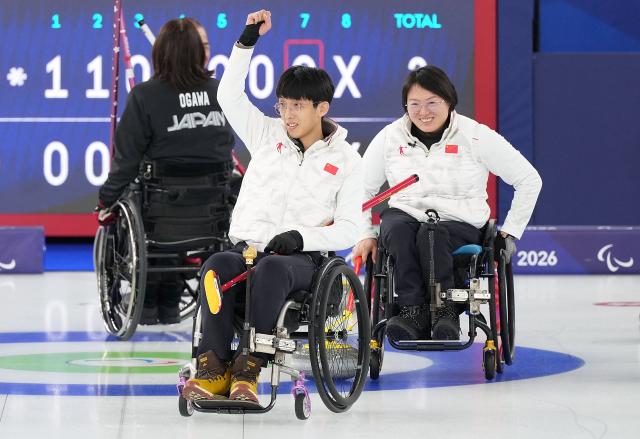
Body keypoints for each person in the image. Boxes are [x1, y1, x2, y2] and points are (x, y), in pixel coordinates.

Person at [181, 9, 363, 404]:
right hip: (247, 250)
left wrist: (302, 237)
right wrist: (247, 40)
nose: (288, 114)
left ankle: (249, 368)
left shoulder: (348, 160)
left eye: (297, 105)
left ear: (322, 108)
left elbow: (351, 228)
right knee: (216, 266)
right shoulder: (266, 133)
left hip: (302, 262)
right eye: (283, 105)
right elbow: (227, 95)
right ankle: (212, 368)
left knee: (273, 268)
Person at [352, 65, 542, 341]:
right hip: (405, 214)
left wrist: (510, 231)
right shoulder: (390, 137)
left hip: (460, 222)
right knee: (397, 229)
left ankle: (445, 313)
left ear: (449, 102)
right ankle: (412, 313)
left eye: (432, 103)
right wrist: (364, 233)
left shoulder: (475, 136)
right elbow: (361, 188)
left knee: (432, 233)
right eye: (414, 104)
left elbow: (529, 179)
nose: (423, 112)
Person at [97, 18, 235, 324]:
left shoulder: (145, 96)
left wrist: (106, 200)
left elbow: (126, 161)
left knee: (141, 195)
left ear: (161, 52)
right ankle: (168, 302)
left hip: (159, 212)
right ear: (200, 53)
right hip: (213, 213)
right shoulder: (223, 93)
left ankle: (150, 305)